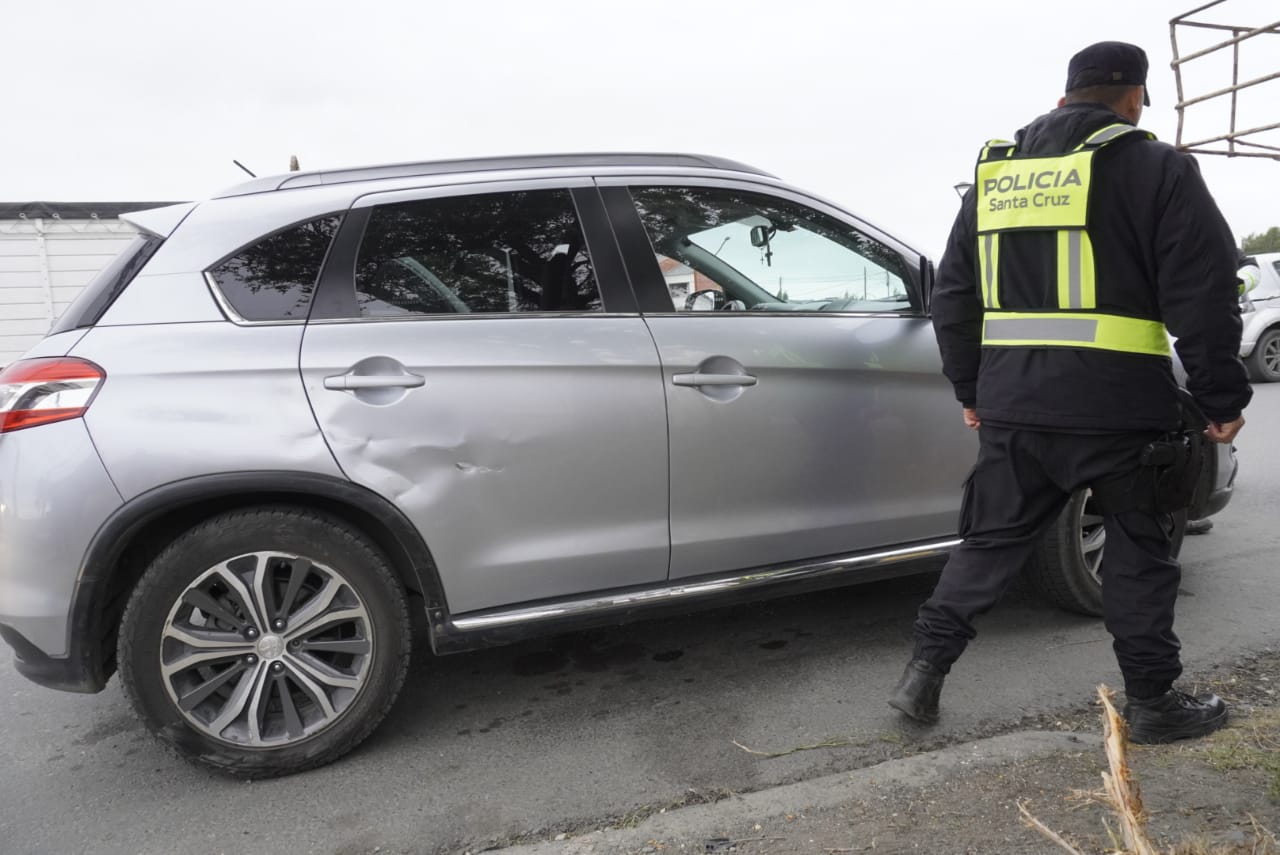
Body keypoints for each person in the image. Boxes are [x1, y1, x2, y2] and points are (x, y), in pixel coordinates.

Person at [889, 41, 1252, 744]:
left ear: (1063, 98)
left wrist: (971, 386)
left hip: (1015, 405)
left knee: (988, 543)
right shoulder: (1156, 167)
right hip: (1120, 413)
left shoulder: (998, 177)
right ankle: (1151, 701)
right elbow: (1203, 293)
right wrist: (1220, 397)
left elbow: (954, 297)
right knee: (1140, 552)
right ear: (1133, 99)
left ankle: (922, 673)